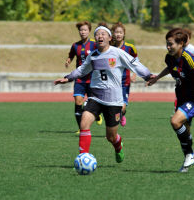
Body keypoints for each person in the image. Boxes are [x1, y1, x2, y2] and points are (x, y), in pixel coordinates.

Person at [55, 26, 153, 163]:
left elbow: (134, 64)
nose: (100, 36)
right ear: (95, 39)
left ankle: (118, 146)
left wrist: (148, 76)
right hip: (95, 96)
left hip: (113, 101)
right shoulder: (93, 55)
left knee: (111, 137)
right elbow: (82, 69)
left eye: (103, 34)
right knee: (84, 122)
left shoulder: (118, 53)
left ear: (109, 38)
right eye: (97, 34)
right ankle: (83, 159)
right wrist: (68, 78)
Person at [147, 28, 194, 172]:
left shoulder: (190, 59)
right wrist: (157, 78)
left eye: (171, 44)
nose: (168, 47)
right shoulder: (169, 58)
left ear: (181, 43)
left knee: (175, 121)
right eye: (167, 44)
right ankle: (188, 158)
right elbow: (170, 68)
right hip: (183, 97)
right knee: (185, 131)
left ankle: (190, 154)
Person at [65, 21, 102, 134]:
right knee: (78, 102)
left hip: (92, 79)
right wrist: (68, 60)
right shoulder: (75, 45)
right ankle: (81, 129)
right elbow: (71, 55)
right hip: (80, 79)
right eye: (81, 30)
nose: (83, 32)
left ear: (89, 31)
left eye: (85, 30)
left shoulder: (94, 44)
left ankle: (97, 115)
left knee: (92, 103)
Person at [111, 22, 137, 126]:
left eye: (120, 32)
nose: (118, 34)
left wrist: (134, 73)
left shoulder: (130, 48)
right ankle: (112, 130)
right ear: (113, 34)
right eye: (116, 32)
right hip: (112, 81)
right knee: (114, 107)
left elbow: (135, 62)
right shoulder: (110, 47)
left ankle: (122, 115)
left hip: (125, 80)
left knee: (122, 108)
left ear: (124, 34)